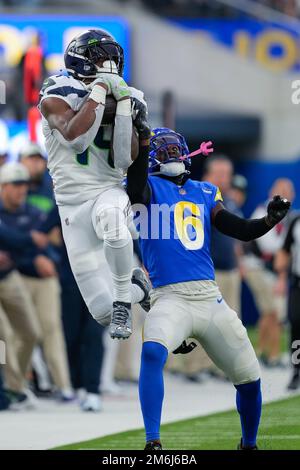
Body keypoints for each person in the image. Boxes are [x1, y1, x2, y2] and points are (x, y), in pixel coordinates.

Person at [127, 127, 291, 450]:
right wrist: (142, 140)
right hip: (169, 296)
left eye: (175, 150)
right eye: (164, 150)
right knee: (151, 352)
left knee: (249, 376)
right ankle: (153, 443)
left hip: (209, 297)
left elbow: (239, 230)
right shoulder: (145, 189)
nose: (172, 155)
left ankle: (249, 443)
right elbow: (134, 183)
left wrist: (268, 222)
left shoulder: (205, 191)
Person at [39, 29, 150, 339]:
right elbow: (75, 137)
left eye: (113, 58)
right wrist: (101, 91)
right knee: (101, 312)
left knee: (114, 221)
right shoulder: (58, 88)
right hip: (71, 203)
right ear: (80, 59)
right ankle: (137, 288)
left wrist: (126, 108)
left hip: (107, 188)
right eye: (101, 57)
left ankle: (123, 305)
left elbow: (123, 160)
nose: (109, 64)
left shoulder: (131, 96)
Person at [0, 161, 72, 400]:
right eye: (15, 185)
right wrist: (32, 241)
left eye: (23, 185)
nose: (21, 190)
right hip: (18, 275)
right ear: (2, 187)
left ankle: (14, 385)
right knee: (3, 337)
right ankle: (7, 388)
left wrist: (38, 250)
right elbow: (16, 238)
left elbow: (41, 241)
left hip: (10, 276)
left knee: (31, 332)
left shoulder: (31, 211)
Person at [242, 179, 295, 366]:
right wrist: (284, 251)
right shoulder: (263, 210)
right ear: (272, 192)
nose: (285, 193)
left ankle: (260, 351)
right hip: (257, 267)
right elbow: (269, 244)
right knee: (273, 312)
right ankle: (273, 355)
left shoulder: (290, 217)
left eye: (288, 190)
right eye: (280, 190)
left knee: (269, 312)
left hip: (275, 269)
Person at [203, 155, 241, 313]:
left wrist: (239, 263)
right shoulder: (201, 199)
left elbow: (234, 237)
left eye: (227, 174)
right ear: (207, 175)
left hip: (231, 270)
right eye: (219, 174)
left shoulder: (229, 201)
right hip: (210, 273)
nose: (224, 179)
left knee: (234, 321)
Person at [275, 212, 300, 390]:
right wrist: (282, 278)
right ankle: (296, 371)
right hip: (297, 283)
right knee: (295, 324)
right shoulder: (296, 221)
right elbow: (285, 250)